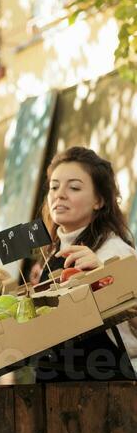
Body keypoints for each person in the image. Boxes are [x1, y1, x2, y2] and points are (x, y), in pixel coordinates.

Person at [35, 146, 137, 382]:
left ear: (99, 200)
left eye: (74, 187)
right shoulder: (55, 252)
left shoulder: (115, 252)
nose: (59, 194)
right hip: (57, 382)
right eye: (54, 186)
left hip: (109, 385)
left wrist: (106, 277)